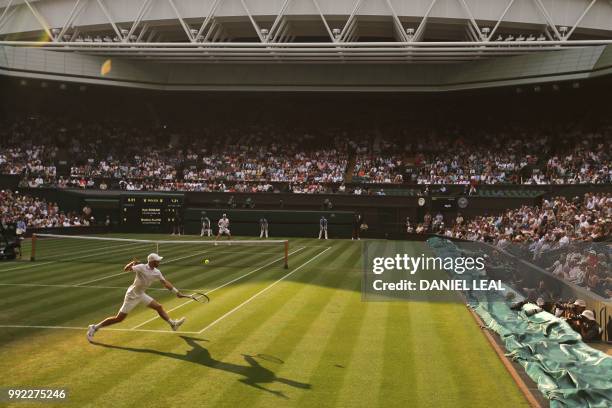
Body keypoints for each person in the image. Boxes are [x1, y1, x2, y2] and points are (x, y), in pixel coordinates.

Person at [87, 253, 187, 342]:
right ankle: (94, 327)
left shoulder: (157, 272)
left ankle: (173, 324)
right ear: (152, 261)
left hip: (141, 294)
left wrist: (176, 292)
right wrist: (132, 263)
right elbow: (126, 269)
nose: (159, 261)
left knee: (158, 307)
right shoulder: (141, 267)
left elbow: (165, 283)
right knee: (119, 318)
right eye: (157, 260)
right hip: (132, 295)